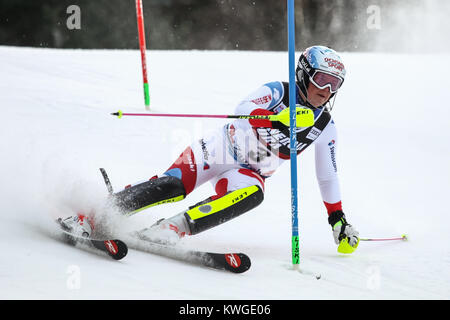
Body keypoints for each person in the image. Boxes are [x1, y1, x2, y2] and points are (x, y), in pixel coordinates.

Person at [60, 45, 359, 252]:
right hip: (218, 151)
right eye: (322, 79)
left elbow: (328, 176)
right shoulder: (277, 91)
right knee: (173, 186)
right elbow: (242, 111)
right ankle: (90, 215)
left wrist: (338, 218)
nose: (327, 90)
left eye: (336, 84)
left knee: (254, 194)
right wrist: (275, 120)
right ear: (305, 73)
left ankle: (172, 229)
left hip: (249, 172)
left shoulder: (325, 127)